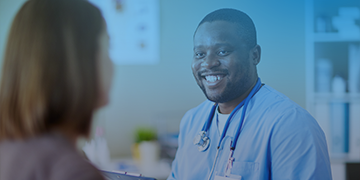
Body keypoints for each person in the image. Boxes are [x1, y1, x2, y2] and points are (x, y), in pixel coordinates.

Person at [168, 8, 332, 180]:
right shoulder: (191, 121)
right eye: (200, 54)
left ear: (255, 55)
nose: (208, 63)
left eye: (222, 51)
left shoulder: (291, 125)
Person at [0, 0, 113, 179]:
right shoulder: (72, 172)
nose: (113, 65)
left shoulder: (9, 150)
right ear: (78, 64)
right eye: (107, 48)